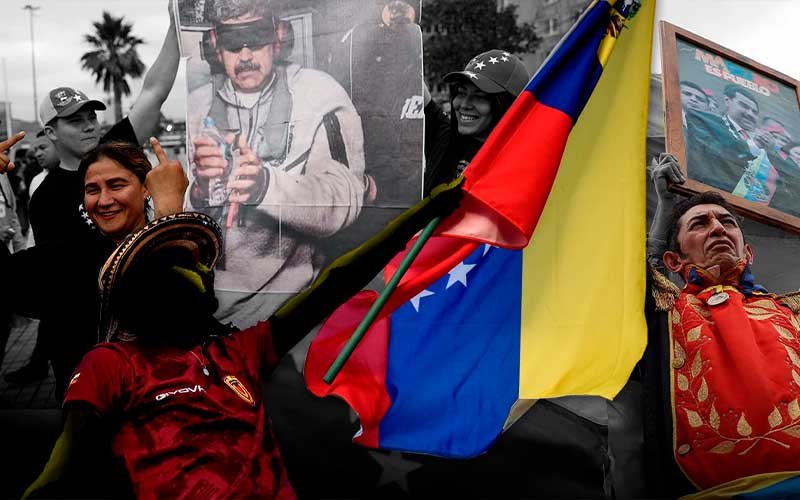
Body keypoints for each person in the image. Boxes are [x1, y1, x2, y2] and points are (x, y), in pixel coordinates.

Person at [23, 177, 463, 499]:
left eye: (201, 263)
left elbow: (336, 282)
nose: (198, 269)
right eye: (178, 261)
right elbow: (65, 459)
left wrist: (422, 215)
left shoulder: (241, 350)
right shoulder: (112, 362)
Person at [3, 7, 181, 387]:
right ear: (51, 133)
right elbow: (60, 283)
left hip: (144, 335)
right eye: (75, 120)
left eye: (90, 117)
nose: (88, 126)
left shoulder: (114, 153)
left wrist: (175, 24)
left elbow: (153, 92)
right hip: (83, 349)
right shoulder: (45, 196)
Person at [187, 0, 367, 326]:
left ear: (279, 36)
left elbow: (346, 196)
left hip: (293, 311)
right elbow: (189, 219)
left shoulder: (320, 93)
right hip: (208, 312)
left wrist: (266, 187)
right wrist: (198, 193)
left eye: (256, 37)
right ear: (214, 45)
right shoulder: (198, 105)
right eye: (232, 42)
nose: (245, 55)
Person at [644, 160, 800, 496]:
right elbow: (636, 277)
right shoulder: (666, 310)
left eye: (727, 222)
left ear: (748, 252)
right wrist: (665, 207)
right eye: (700, 224)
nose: (717, 229)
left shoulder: (791, 310)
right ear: (674, 261)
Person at [0, 139, 187, 399]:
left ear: (146, 188)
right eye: (92, 189)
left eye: (116, 185)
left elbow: (174, 311)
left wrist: (168, 211)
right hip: (89, 415)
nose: (104, 200)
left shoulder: (186, 247)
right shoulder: (66, 258)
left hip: (164, 413)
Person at [423, 49, 531, 194]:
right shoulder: (445, 136)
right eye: (461, 92)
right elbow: (409, 75)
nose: (464, 104)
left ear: (506, 105)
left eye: (480, 97)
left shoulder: (520, 170)